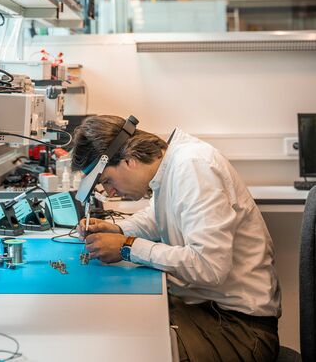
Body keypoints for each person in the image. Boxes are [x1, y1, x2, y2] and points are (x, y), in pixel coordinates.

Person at [71, 115, 281, 362]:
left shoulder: (193, 167)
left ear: (128, 161)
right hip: (206, 308)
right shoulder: (171, 165)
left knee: (123, 351)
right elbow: (159, 217)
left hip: (240, 329)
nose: (110, 192)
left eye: (107, 180)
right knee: (116, 324)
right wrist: (118, 229)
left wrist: (127, 247)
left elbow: (210, 266)